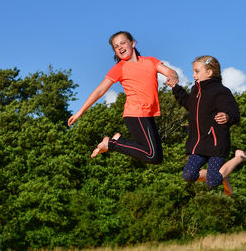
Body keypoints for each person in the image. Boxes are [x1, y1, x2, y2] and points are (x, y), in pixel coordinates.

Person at [68, 31, 178, 164]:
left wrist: (173, 76)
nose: (119, 47)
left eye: (123, 43)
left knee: (157, 157)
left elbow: (170, 72)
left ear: (132, 44)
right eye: (116, 46)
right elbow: (100, 90)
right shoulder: (119, 68)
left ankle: (118, 141)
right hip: (135, 114)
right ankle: (112, 144)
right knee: (152, 155)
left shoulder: (150, 61)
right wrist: (80, 111)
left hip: (148, 114)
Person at [169, 55, 246, 196]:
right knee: (188, 175)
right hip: (199, 144)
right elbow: (188, 104)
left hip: (216, 144)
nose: (193, 75)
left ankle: (240, 157)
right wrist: (176, 88)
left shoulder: (221, 91)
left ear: (209, 73)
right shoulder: (195, 91)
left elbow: (235, 112)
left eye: (197, 71)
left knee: (211, 182)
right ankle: (222, 174)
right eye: (193, 71)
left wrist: (227, 116)